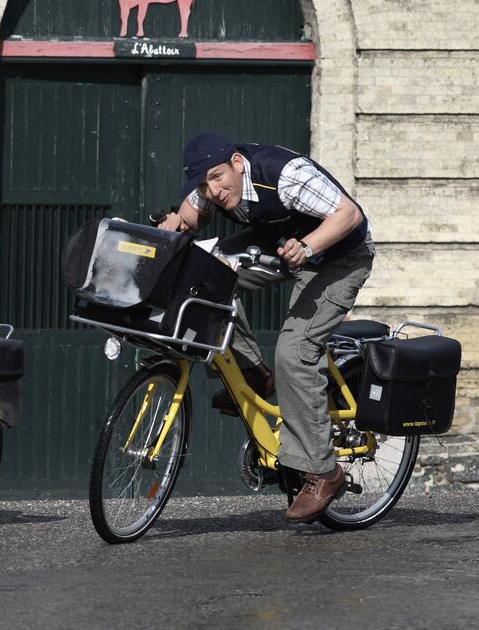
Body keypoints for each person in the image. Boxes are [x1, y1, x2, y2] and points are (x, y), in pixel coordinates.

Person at [159, 133, 374, 524]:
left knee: (294, 352)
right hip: (278, 246)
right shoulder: (211, 186)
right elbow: (191, 215)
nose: (215, 189)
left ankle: (324, 472)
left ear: (237, 161)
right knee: (205, 273)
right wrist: (175, 223)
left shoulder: (286, 175)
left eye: (218, 177)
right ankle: (252, 374)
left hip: (338, 257)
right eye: (206, 183)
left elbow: (349, 215)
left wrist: (307, 248)